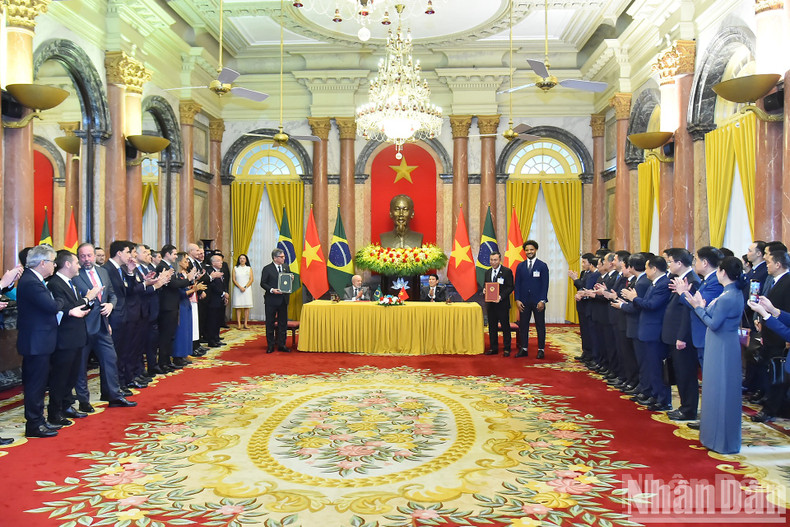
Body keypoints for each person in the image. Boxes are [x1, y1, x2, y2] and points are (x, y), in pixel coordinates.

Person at [17, 245, 83, 438]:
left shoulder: (36, 280)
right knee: (35, 385)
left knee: (38, 384)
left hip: (41, 341)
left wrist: (57, 303)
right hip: (35, 342)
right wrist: (61, 302)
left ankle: (39, 421)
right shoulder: (31, 281)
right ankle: (34, 425)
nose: (55, 265)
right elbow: (52, 305)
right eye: (52, 262)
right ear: (42, 263)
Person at [681, 256, 744, 454]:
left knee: (720, 390)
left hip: (721, 345)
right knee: (715, 389)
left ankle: (719, 439)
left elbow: (713, 323)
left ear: (723, 272)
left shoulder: (728, 296)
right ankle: (713, 436)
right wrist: (698, 304)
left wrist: (698, 307)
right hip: (723, 343)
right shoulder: (732, 293)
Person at [72, 243, 136, 411]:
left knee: (110, 359)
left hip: (103, 325)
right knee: (81, 366)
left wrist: (110, 305)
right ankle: (84, 401)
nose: (86, 259)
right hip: (83, 326)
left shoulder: (103, 271)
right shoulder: (74, 274)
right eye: (82, 256)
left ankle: (114, 396)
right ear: (78, 258)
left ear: (94, 256)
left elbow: (113, 294)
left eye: (89, 255)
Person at [47, 250, 100, 427]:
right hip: (64, 337)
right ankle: (55, 413)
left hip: (77, 335)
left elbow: (77, 307)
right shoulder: (55, 284)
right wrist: (87, 297)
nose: (79, 265)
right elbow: (66, 307)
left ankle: (67, 405)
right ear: (68, 264)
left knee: (71, 376)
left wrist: (89, 301)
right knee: (60, 377)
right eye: (76, 262)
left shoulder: (71, 282)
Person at [621, 256, 672, 411]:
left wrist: (634, 298)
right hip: (647, 330)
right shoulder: (654, 283)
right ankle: (654, 394)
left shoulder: (663, 284)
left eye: (648, 268)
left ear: (654, 269)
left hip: (654, 331)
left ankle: (662, 399)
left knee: (656, 367)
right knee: (649, 366)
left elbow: (652, 305)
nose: (646, 271)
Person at [662, 248, 701, 420]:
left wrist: (681, 337)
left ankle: (688, 409)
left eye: (670, 261)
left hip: (683, 336)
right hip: (674, 334)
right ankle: (684, 406)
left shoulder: (692, 281)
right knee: (679, 372)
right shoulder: (678, 279)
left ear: (679, 263)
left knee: (686, 374)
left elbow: (688, 313)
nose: (668, 264)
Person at [157, 244, 197, 369]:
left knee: (170, 335)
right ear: (167, 254)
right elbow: (174, 284)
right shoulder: (162, 267)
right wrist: (189, 279)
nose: (176, 256)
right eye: (174, 254)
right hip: (166, 306)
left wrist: (189, 279)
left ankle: (167, 361)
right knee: (166, 336)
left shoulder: (169, 266)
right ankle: (163, 363)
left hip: (172, 305)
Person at [514, 240, 549, 358]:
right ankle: (523, 348)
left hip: (538, 302)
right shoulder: (520, 266)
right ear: (525, 251)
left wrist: (542, 300)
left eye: (531, 249)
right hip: (523, 302)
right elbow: (517, 284)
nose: (529, 252)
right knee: (523, 326)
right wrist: (517, 299)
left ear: (536, 250)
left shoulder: (542, 266)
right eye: (527, 250)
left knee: (540, 325)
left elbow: (545, 284)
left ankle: (541, 349)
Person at [173, 252, 206, 366]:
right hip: (180, 305)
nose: (187, 263)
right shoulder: (177, 275)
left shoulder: (183, 275)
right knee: (181, 331)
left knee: (187, 330)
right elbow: (181, 293)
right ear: (179, 262)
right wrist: (195, 289)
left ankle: (185, 353)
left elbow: (187, 288)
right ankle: (178, 355)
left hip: (186, 304)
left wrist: (194, 286)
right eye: (185, 260)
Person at [260, 248, 291, 353]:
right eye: (282, 257)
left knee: (283, 323)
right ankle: (270, 345)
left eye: (283, 256)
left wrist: (291, 278)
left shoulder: (286, 267)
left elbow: (288, 278)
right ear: (275, 258)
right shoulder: (267, 269)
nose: (284, 258)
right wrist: (272, 290)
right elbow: (263, 283)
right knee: (270, 323)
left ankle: (282, 345)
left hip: (283, 300)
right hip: (271, 300)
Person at [484, 252, 514, 356]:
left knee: (505, 327)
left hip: (502, 304)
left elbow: (510, 287)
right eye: (491, 260)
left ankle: (507, 348)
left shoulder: (507, 271)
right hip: (491, 305)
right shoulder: (487, 272)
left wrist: (500, 296)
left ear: (500, 260)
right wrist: (485, 290)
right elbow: (487, 285)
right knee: (492, 327)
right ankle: (493, 348)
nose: (493, 262)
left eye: (495, 260)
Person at [205, 253, 229, 347]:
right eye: (218, 261)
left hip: (220, 299)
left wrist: (225, 294)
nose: (221, 262)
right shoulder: (210, 271)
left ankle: (216, 338)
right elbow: (212, 286)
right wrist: (223, 293)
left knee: (218, 320)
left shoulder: (220, 271)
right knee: (212, 321)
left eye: (221, 261)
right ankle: (211, 340)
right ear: (213, 262)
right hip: (213, 300)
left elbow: (223, 284)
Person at [232, 254, 254, 327]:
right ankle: (238, 324)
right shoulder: (235, 268)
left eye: (243, 258)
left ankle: (245, 323)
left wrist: (245, 287)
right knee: (238, 307)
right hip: (238, 289)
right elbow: (234, 279)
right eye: (240, 258)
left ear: (246, 260)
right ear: (238, 260)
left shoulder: (249, 268)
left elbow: (251, 279)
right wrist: (240, 287)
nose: (242, 260)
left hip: (247, 289)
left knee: (246, 307)